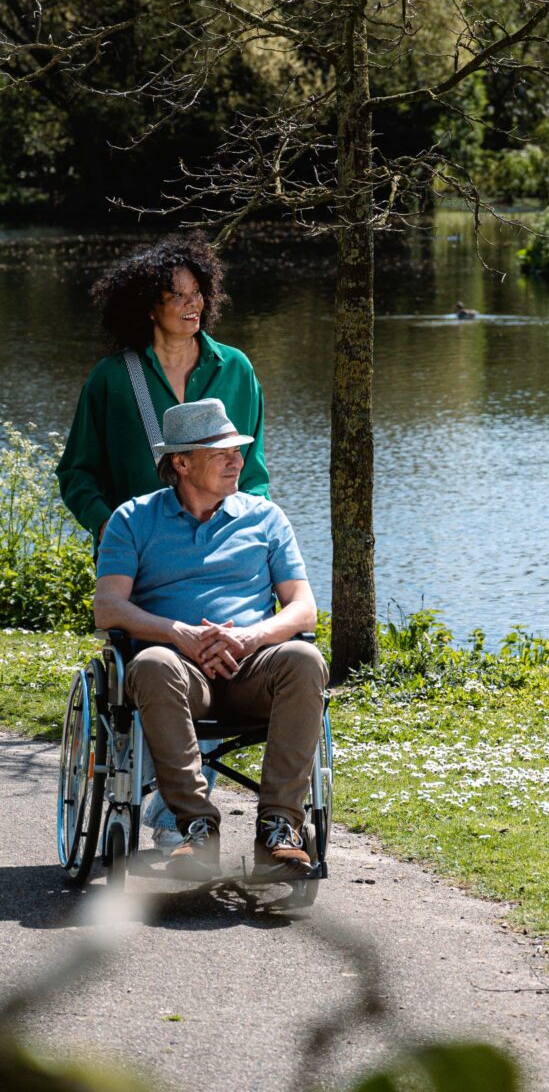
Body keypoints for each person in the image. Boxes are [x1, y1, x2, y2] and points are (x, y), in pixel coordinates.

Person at [57, 233, 269, 852]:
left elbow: (252, 474)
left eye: (197, 292)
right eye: (175, 295)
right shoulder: (112, 380)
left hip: (226, 557)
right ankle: (176, 806)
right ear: (148, 306)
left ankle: (183, 808)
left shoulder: (235, 369)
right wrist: (111, 528)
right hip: (141, 563)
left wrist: (252, 538)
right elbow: (77, 473)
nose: (190, 304)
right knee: (151, 662)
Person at [94, 399, 327, 881]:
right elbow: (109, 608)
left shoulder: (265, 518)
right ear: (180, 463)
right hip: (177, 673)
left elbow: (304, 609)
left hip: (254, 669)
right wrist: (180, 634)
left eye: (237, 451)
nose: (236, 460)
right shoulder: (132, 519)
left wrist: (249, 637)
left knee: (304, 657)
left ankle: (279, 829)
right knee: (153, 664)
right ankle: (196, 828)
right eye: (220, 452)